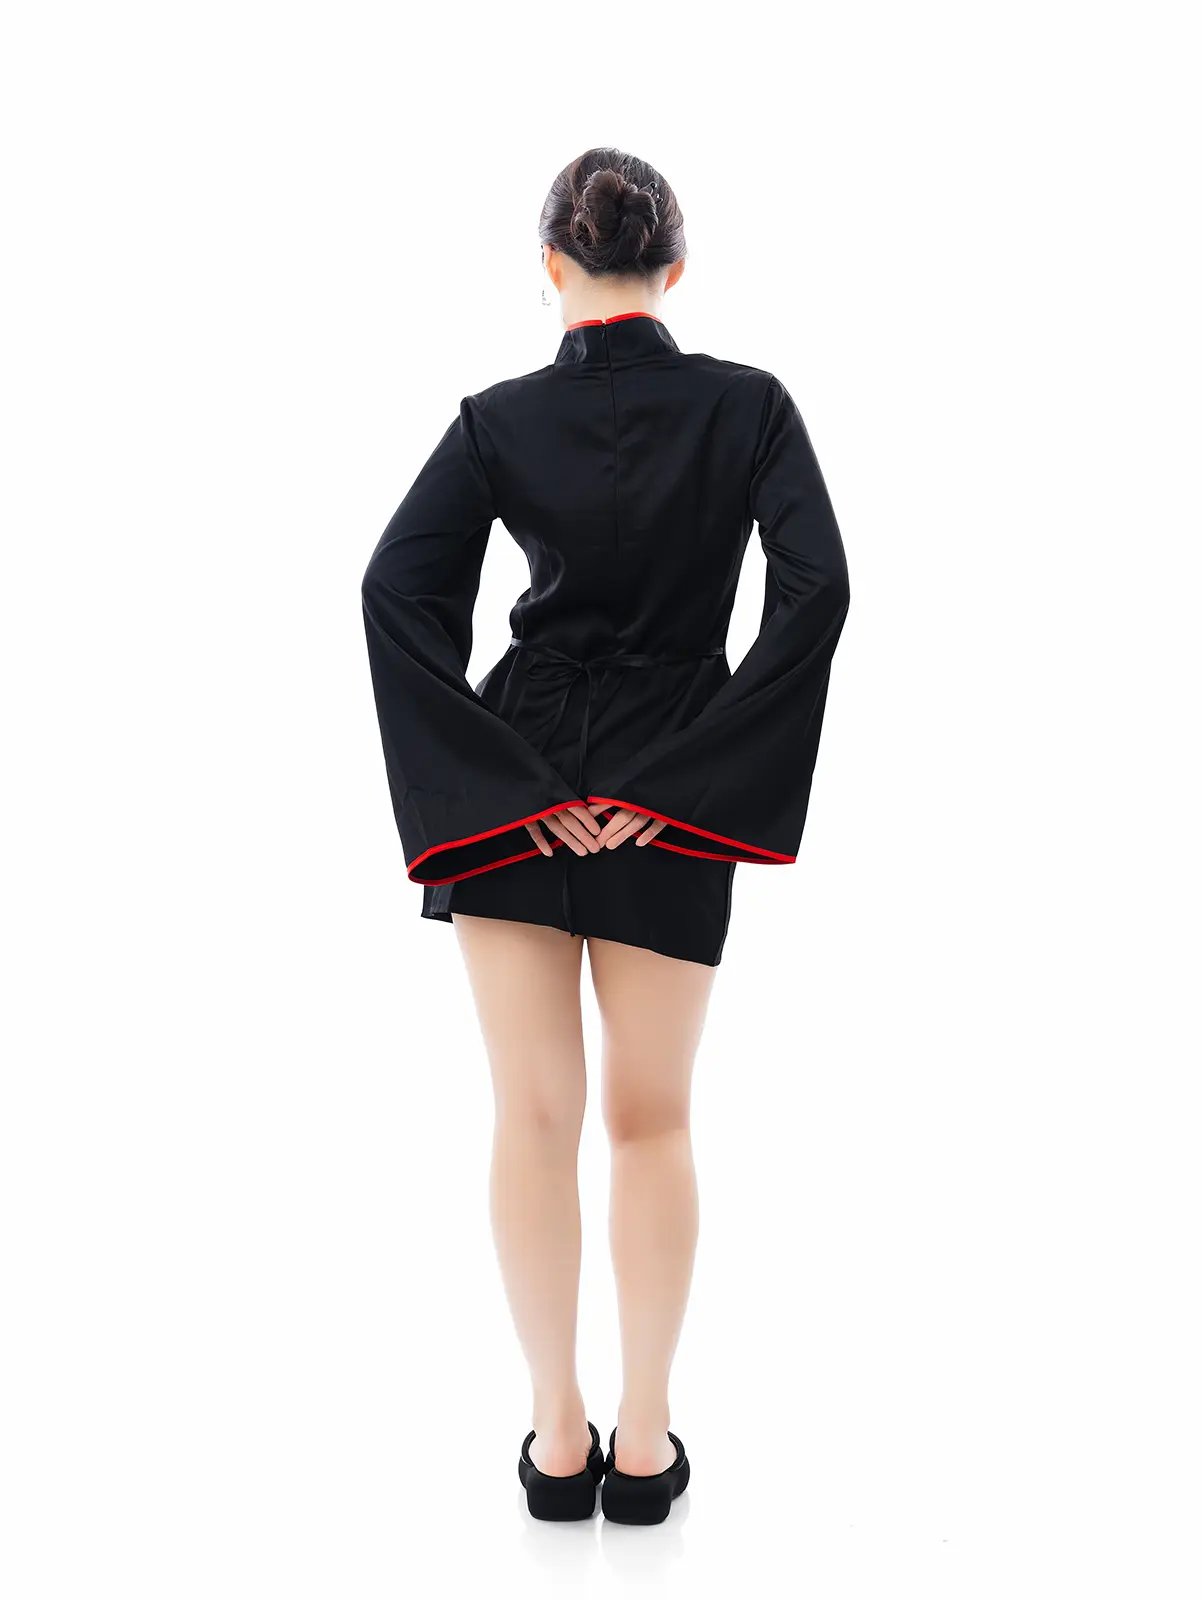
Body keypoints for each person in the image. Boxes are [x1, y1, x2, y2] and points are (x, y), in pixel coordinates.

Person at [361, 146, 851, 1523]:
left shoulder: (496, 420)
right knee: (652, 1119)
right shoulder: (750, 406)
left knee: (530, 1114)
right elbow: (818, 590)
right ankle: (644, 1444)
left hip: (516, 789)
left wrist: (505, 783)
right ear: (675, 267)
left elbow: (394, 594)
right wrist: (691, 777)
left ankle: (555, 1434)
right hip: (673, 794)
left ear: (550, 267)